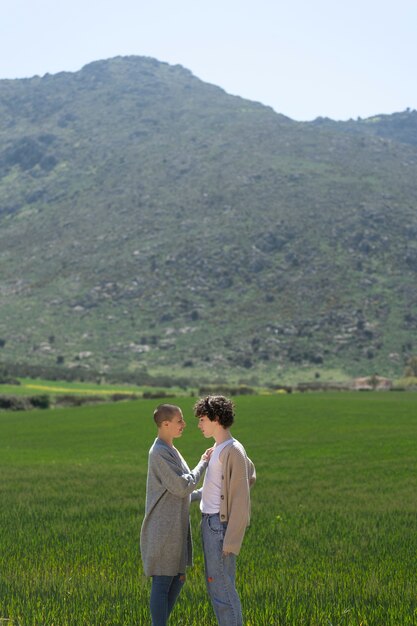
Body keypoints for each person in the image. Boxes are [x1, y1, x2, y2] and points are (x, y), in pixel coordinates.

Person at [140, 403, 212, 626]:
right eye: (180, 420)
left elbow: (181, 494)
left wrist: (207, 493)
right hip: (163, 531)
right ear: (165, 424)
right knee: (163, 583)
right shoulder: (159, 453)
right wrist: (203, 463)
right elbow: (182, 487)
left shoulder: (170, 449)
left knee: (177, 580)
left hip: (174, 530)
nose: (184, 424)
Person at [194, 395, 256, 626]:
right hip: (210, 525)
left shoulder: (233, 450)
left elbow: (241, 498)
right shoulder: (217, 449)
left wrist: (231, 541)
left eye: (202, 419)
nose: (199, 425)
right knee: (216, 586)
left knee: (223, 589)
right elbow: (213, 489)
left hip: (220, 529)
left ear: (216, 418)